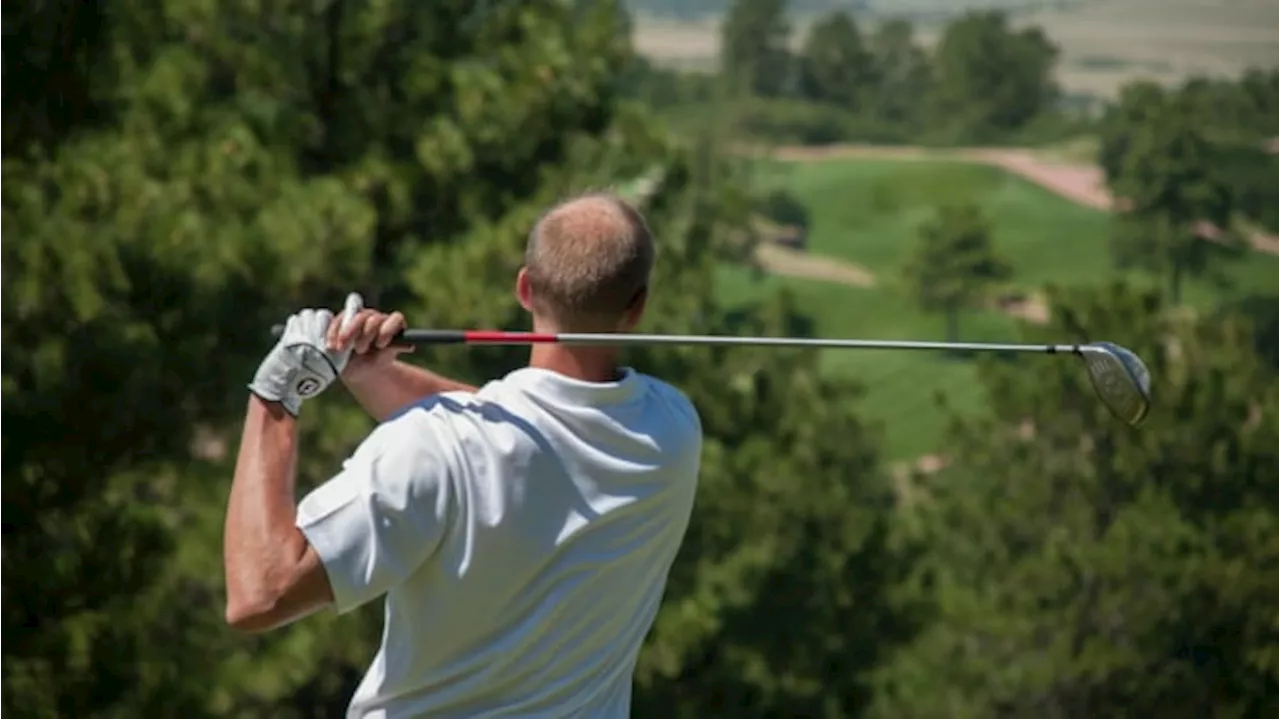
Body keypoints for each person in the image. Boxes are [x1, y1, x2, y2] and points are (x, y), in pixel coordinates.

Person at [222, 192, 704, 718]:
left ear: (524, 287)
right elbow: (514, 428)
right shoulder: (673, 430)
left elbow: (260, 593)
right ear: (637, 307)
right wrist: (373, 375)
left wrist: (276, 394)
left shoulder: (437, 445)